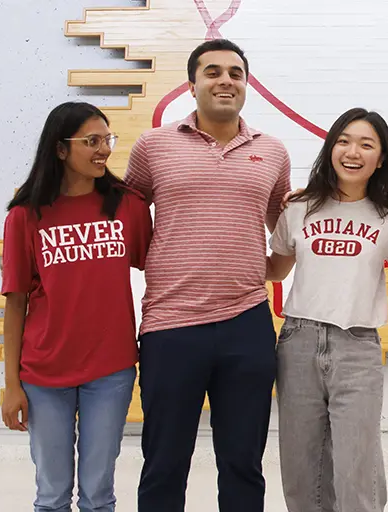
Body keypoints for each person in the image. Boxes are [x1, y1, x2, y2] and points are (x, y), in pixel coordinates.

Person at [123, 39, 292, 511]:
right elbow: (129, 219)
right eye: (213, 71)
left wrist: (276, 267)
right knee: (164, 462)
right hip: (170, 325)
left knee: (242, 463)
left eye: (235, 73)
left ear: (246, 84)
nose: (226, 80)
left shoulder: (272, 151)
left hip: (247, 324)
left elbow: (286, 229)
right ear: (192, 83)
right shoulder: (153, 145)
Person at [266, 107, 388, 512]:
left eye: (367, 144)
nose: (353, 152)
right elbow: (275, 269)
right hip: (298, 342)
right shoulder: (299, 209)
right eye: (344, 141)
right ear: (330, 147)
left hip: (357, 346)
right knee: (301, 468)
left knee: (357, 466)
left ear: (381, 157)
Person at [0, 101, 152, 511]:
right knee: (51, 496)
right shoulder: (25, 216)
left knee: (98, 494)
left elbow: (160, 265)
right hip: (45, 373)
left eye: (107, 139)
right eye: (91, 141)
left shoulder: (128, 207)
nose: (103, 149)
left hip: (111, 369)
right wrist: (12, 384)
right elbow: (15, 304)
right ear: (60, 149)